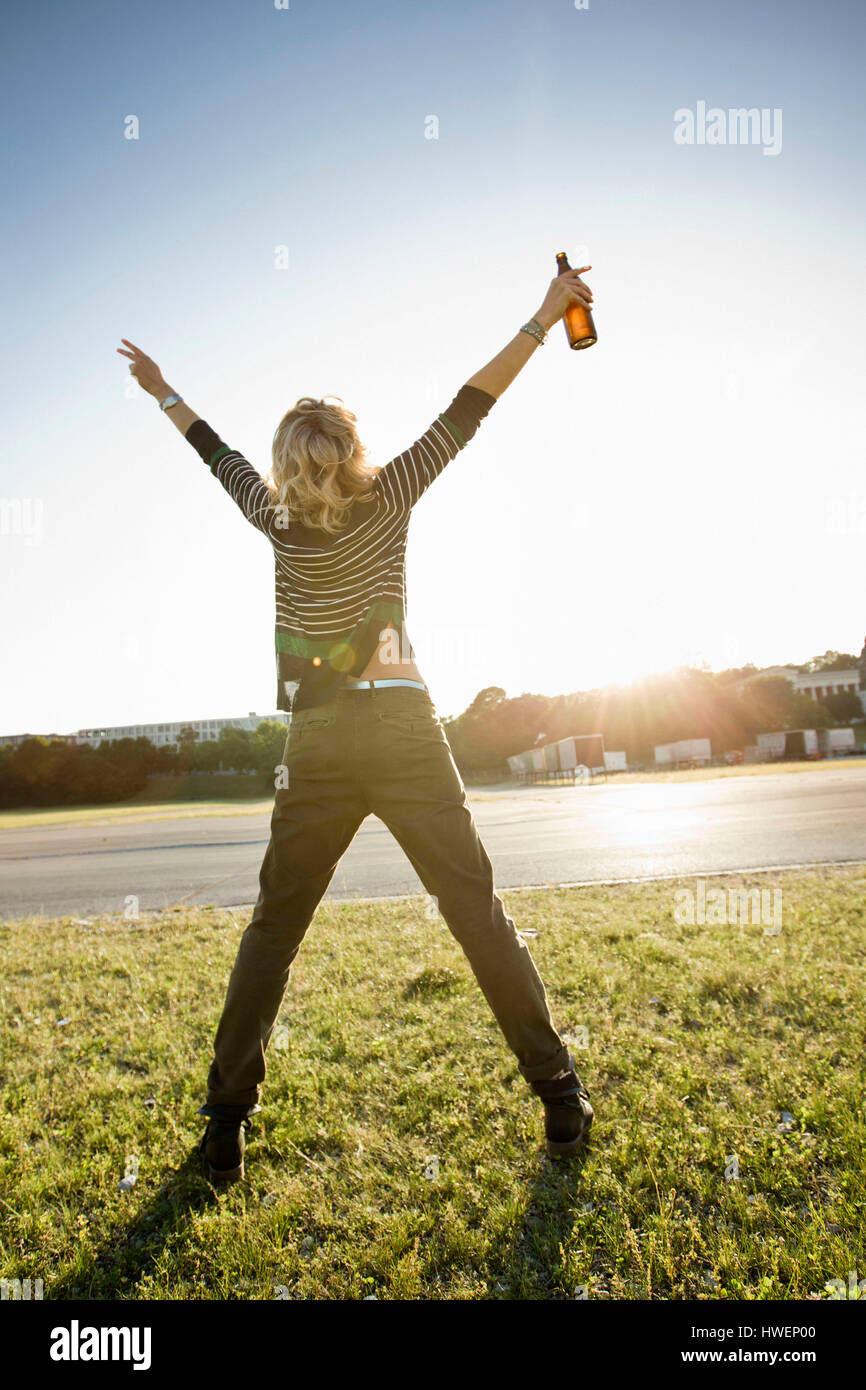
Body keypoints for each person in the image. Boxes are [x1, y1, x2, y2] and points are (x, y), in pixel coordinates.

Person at [116, 263, 596, 1183]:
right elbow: (472, 404)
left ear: (291, 465)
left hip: (320, 742)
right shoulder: (393, 496)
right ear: (352, 450)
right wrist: (544, 317)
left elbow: (212, 451)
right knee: (476, 914)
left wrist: (163, 389)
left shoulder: (273, 518)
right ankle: (561, 1096)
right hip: (407, 731)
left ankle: (225, 1125)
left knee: (274, 929)